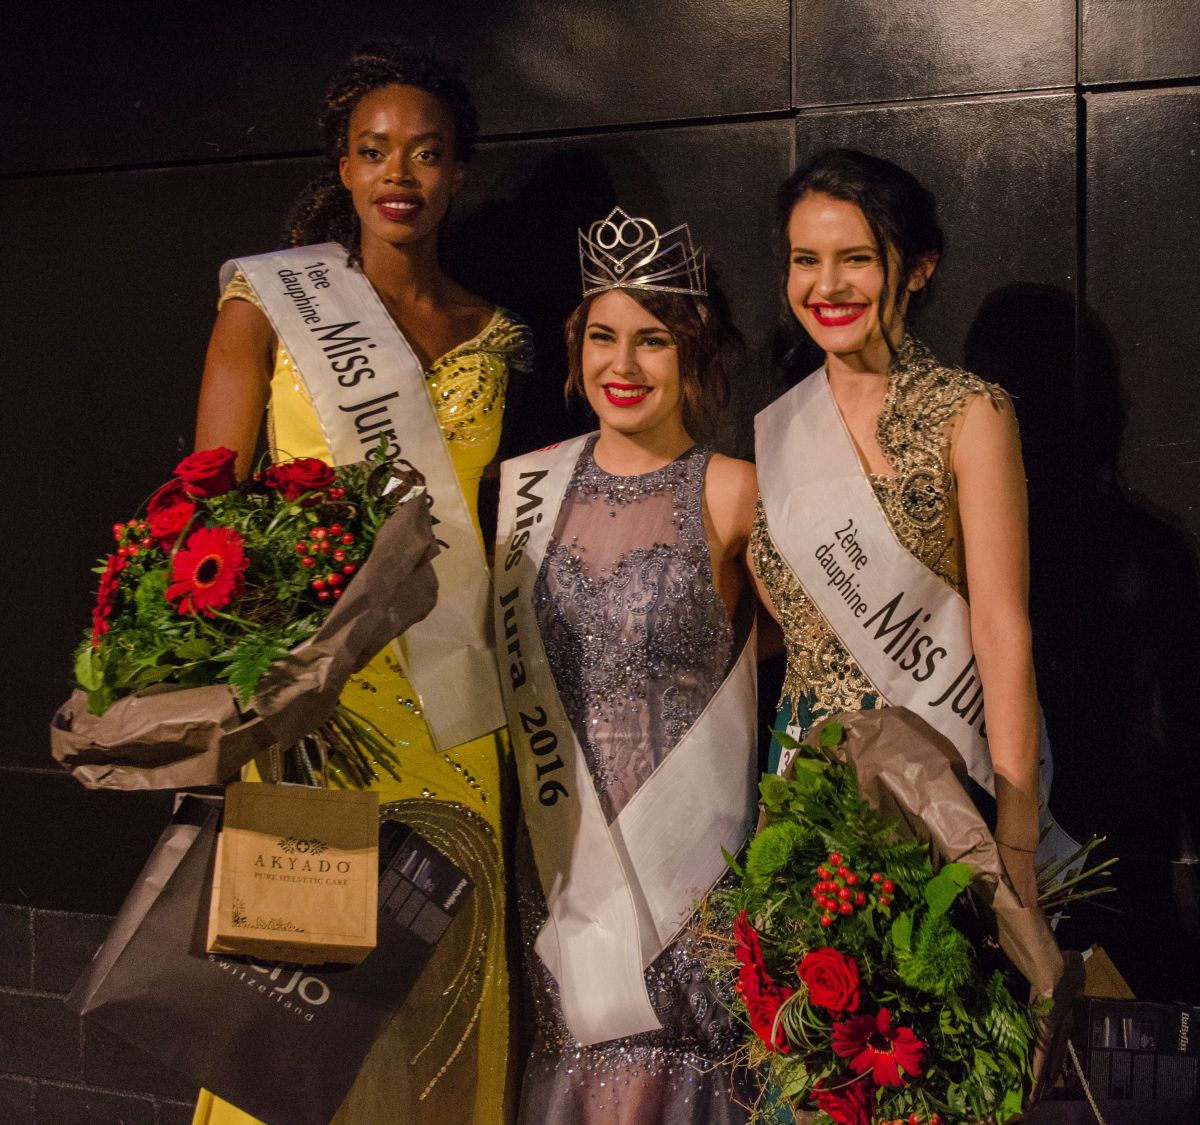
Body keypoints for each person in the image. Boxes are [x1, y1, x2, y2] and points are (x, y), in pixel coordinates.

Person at [191, 42, 532, 1125]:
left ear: (460, 171)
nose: (401, 174)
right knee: (305, 1009)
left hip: (454, 711)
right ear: (342, 168)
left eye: (427, 153)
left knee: (435, 1000)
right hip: (316, 704)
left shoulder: (501, 338)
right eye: (376, 150)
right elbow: (202, 511)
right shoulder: (270, 306)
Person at [494, 209, 760, 1124]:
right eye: (603, 336)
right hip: (566, 862)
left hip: (690, 872)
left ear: (694, 352)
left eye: (652, 340)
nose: (623, 364)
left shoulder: (734, 490)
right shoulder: (525, 490)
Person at [752, 147, 1045, 909]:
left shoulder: (969, 412)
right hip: (802, 786)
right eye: (804, 260)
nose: (826, 286)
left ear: (917, 268)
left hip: (939, 781)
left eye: (856, 259)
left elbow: (1002, 629)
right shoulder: (779, 429)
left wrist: (1017, 837)